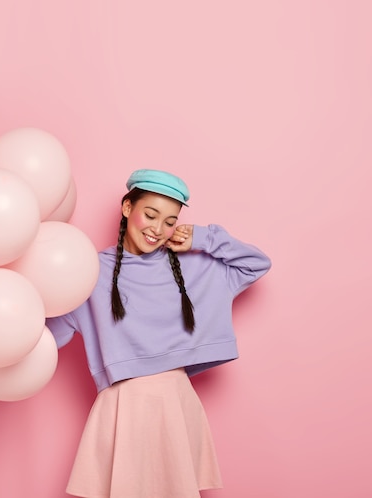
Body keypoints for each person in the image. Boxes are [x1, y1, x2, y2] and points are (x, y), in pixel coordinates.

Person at [45, 168, 272, 498]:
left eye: (169, 221)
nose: (158, 229)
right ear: (127, 208)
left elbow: (256, 264)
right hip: (122, 403)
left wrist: (204, 238)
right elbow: (46, 336)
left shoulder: (194, 265)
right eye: (150, 215)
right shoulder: (90, 270)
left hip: (174, 400)